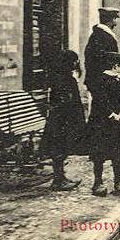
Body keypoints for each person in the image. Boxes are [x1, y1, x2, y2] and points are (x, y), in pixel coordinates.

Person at [40, 48, 89, 191]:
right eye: (74, 61)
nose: (76, 63)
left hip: (60, 120)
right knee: (59, 149)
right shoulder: (64, 80)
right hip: (62, 121)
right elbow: (67, 102)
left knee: (60, 149)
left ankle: (60, 177)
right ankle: (58, 180)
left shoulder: (60, 78)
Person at [86, 51, 120, 197]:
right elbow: (100, 101)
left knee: (117, 152)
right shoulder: (101, 80)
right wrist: (112, 114)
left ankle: (118, 182)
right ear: (115, 65)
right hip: (101, 123)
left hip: (116, 123)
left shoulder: (117, 80)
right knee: (99, 153)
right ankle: (97, 183)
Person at [83, 7, 120, 94]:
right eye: (115, 19)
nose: (116, 22)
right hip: (101, 79)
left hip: (100, 79)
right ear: (112, 20)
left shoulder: (100, 34)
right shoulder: (102, 35)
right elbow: (98, 57)